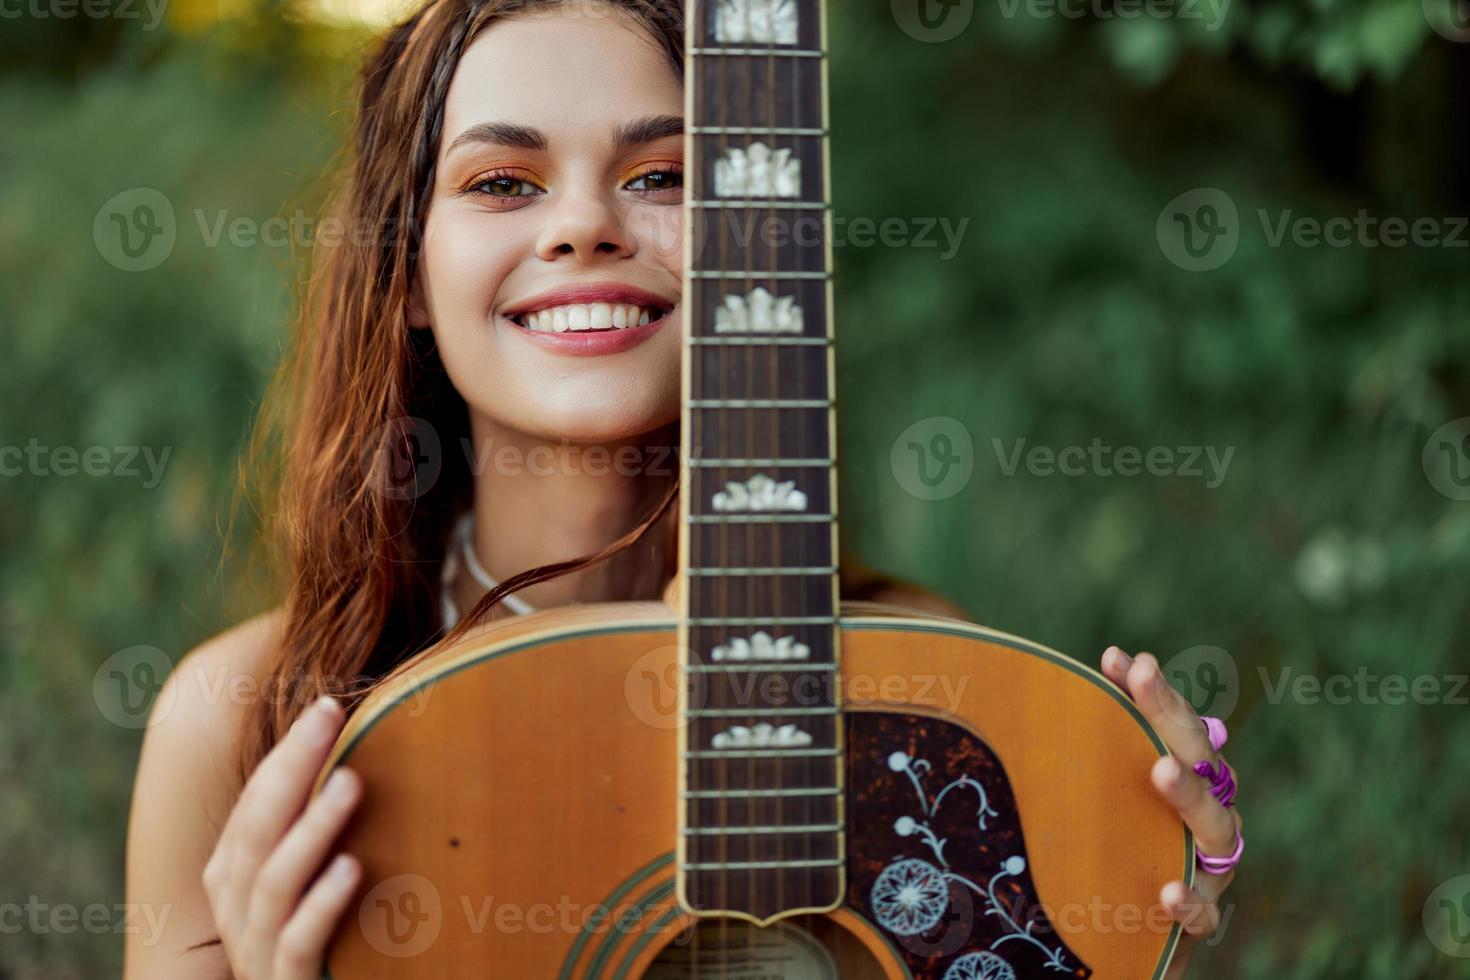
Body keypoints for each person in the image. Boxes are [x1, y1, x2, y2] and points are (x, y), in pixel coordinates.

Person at [123, 0, 1243, 976]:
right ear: (407, 272)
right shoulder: (241, 728)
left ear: (763, 244)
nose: (585, 227)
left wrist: (1124, 919)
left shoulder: (932, 692)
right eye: (501, 182)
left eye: (663, 176)